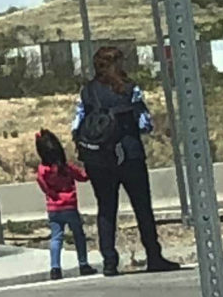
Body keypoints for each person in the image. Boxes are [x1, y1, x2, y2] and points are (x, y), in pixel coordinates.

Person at [72, 44, 181, 276]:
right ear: (116, 64)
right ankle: (153, 255)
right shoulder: (130, 89)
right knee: (142, 207)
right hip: (129, 154)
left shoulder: (87, 91)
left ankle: (109, 261)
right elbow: (145, 124)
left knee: (106, 208)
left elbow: (77, 122)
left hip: (98, 158)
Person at [32, 130, 93, 279]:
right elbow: (83, 177)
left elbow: (42, 185)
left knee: (56, 237)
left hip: (54, 208)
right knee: (78, 235)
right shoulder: (66, 168)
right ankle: (83, 264)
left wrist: (52, 195)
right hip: (70, 206)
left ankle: (55, 268)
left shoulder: (42, 171)